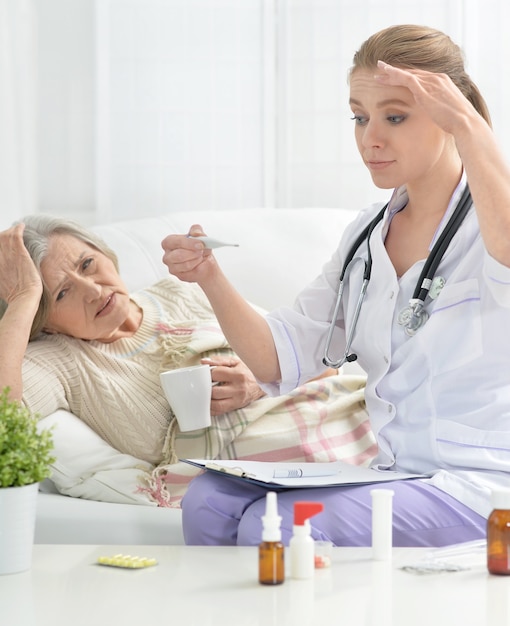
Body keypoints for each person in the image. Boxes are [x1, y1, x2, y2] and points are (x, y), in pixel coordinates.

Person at [161, 24, 510, 546]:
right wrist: (209, 277)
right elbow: (277, 360)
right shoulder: (367, 236)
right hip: (396, 474)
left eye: (395, 116)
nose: (371, 137)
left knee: (276, 528)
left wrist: (469, 125)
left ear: (449, 114)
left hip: (481, 484)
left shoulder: (493, 219)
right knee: (211, 500)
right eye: (360, 116)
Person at [0, 215, 370, 506]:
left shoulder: (180, 291)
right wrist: (23, 298)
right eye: (62, 293)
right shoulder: (61, 362)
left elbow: (324, 362)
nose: (94, 291)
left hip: (359, 425)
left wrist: (260, 381)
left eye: (87, 264)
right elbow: (5, 417)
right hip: (288, 483)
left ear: (107, 255)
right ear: (42, 318)